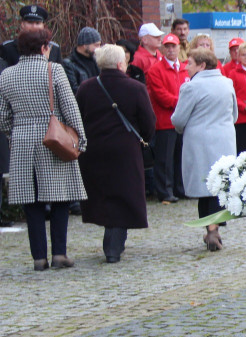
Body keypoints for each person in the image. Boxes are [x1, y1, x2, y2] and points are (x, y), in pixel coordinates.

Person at [0, 27, 87, 270]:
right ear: (44, 48)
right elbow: (70, 108)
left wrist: (15, 132)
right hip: (54, 138)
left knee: (31, 201)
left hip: (21, 142)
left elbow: (2, 116)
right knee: (60, 198)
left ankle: (39, 258)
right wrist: (80, 138)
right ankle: (59, 254)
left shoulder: (6, 75)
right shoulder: (53, 70)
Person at [75, 44, 156, 262]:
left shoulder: (86, 87)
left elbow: (78, 118)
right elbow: (149, 122)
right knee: (124, 195)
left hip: (94, 150)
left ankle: (112, 242)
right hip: (125, 150)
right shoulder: (136, 88)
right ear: (122, 64)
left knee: (103, 195)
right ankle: (113, 246)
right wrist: (143, 140)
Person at [171, 48, 238, 251]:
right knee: (219, 187)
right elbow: (234, 115)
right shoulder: (227, 83)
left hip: (200, 141)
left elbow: (179, 119)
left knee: (206, 188)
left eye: (189, 63)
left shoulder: (191, 87)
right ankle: (213, 228)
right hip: (224, 138)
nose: (186, 67)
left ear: (202, 65)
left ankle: (211, 230)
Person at [146, 33, 188, 204]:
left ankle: (180, 188)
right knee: (165, 159)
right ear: (163, 49)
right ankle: (165, 191)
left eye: (173, 46)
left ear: (179, 48)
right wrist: (184, 103)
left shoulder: (185, 68)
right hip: (165, 121)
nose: (171, 50)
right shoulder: (155, 70)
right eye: (167, 46)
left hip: (183, 120)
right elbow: (161, 96)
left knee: (181, 157)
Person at [66, 27, 102, 93]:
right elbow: (73, 90)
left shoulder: (97, 61)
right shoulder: (69, 64)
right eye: (96, 45)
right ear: (85, 45)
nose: (99, 48)